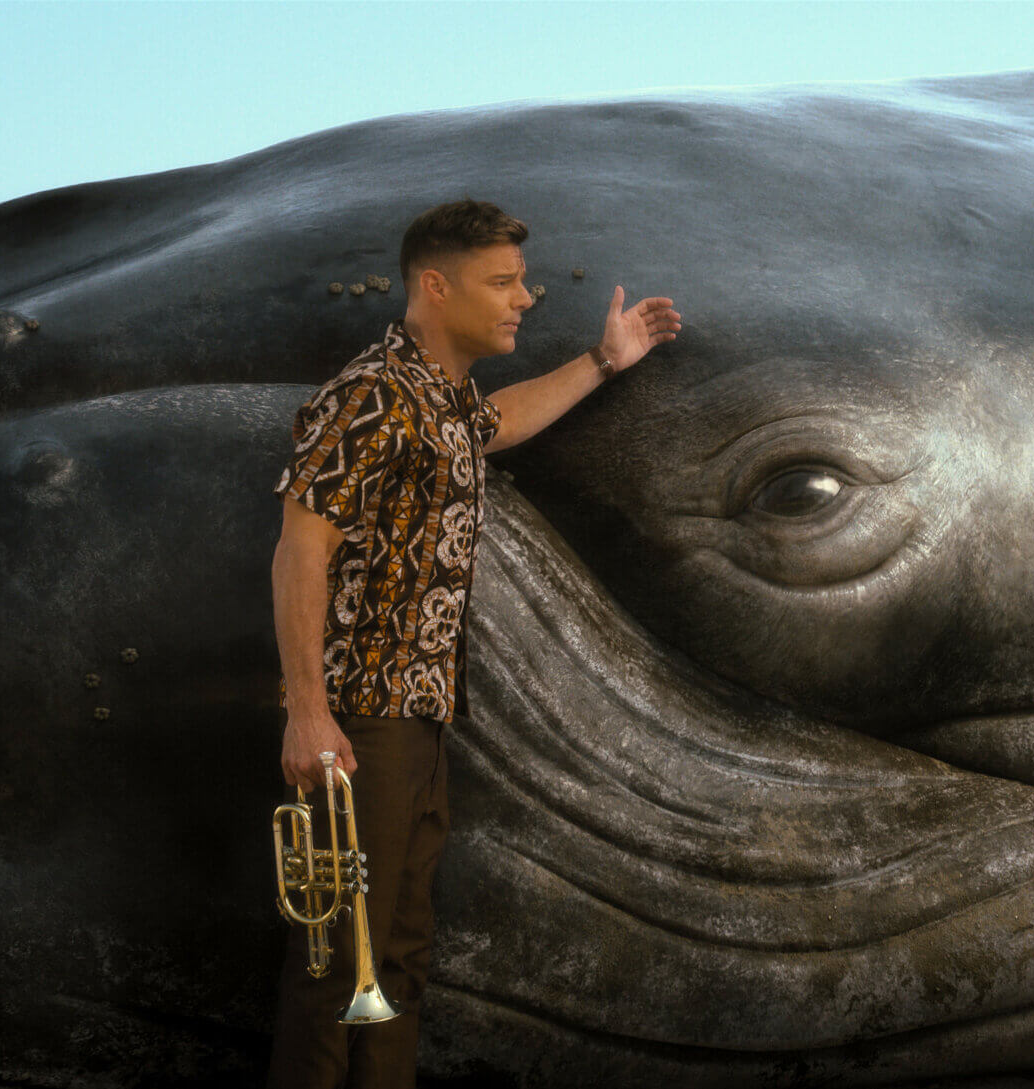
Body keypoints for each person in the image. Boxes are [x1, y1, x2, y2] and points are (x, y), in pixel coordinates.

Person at [266, 199, 679, 1088]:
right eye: (502, 282)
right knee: (338, 961)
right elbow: (300, 549)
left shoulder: (440, 397)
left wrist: (605, 360)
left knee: (399, 957)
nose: (523, 298)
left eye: (521, 281)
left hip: (418, 716)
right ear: (434, 285)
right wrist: (308, 711)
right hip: (360, 719)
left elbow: (499, 422)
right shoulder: (371, 392)